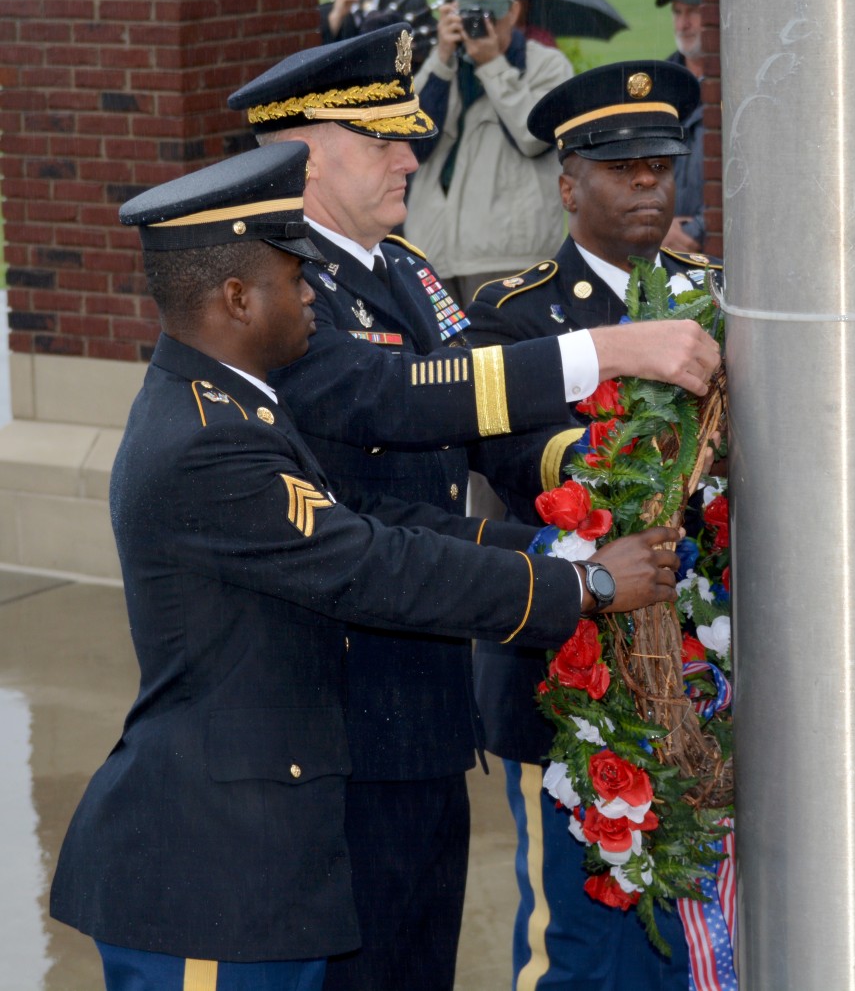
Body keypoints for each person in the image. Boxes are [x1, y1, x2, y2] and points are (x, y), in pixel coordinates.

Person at [48, 141, 686, 991]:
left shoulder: (236, 410)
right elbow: (369, 566)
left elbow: (380, 528)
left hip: (262, 860)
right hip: (211, 872)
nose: (313, 293)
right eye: (294, 279)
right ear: (237, 298)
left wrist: (550, 550)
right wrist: (586, 583)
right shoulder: (209, 441)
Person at [226, 26, 722, 991]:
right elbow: (399, 398)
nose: (411, 155)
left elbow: (446, 468)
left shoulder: (402, 267)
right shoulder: (280, 284)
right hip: (335, 713)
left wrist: (560, 560)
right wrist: (607, 355)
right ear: (303, 155)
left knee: (419, 962)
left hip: (425, 698)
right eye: (381, 142)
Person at [467, 60, 721, 991]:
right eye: (623, 167)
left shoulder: (717, 296)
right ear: (570, 183)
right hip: (575, 678)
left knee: (708, 939)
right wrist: (661, 447)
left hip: (707, 683)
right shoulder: (512, 316)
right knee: (578, 952)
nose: (651, 181)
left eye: (662, 161)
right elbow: (515, 461)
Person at [404, 0, 574, 305]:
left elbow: (533, 138)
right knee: (447, 359)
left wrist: (493, 65)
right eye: (469, 17)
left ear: (513, 12)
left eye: (490, 17)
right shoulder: (445, 64)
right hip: (434, 253)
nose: (481, 27)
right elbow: (412, 143)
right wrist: (440, 60)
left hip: (510, 256)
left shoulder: (549, 66)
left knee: (506, 358)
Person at [655, 0, 707, 253]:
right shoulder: (657, 86)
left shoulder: (739, 85)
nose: (683, 24)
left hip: (716, 250)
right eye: (677, 12)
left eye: (692, 12)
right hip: (663, 250)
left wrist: (698, 229)